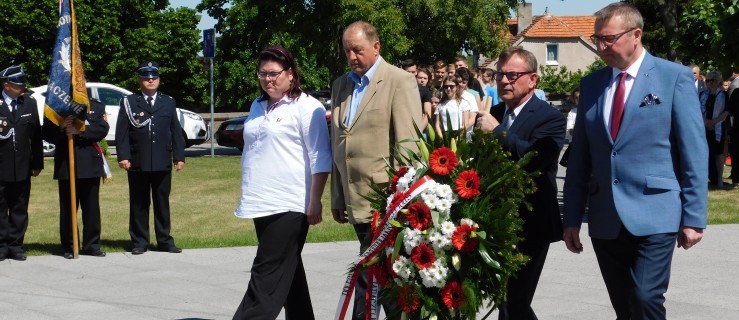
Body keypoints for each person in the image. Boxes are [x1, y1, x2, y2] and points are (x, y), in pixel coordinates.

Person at [562, 3, 707, 319]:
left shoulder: (674, 78)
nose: (601, 47)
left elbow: (694, 150)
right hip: (605, 217)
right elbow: (581, 158)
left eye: (608, 39)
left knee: (644, 298)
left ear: (636, 35)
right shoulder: (592, 85)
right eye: (597, 38)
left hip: (656, 211)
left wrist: (694, 215)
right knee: (625, 306)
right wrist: (571, 217)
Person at [330, 20, 422, 320]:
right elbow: (338, 143)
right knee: (385, 279)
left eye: (358, 50)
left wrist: (400, 202)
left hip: (386, 203)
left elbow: (408, 146)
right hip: (354, 198)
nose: (353, 57)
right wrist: (337, 194)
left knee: (370, 276)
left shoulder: (398, 81)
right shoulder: (341, 85)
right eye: (347, 51)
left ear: (376, 46)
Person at [232, 45, 331, 320]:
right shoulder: (257, 105)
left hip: (290, 203)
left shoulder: (307, 106)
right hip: (260, 202)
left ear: (290, 74)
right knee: (289, 272)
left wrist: (315, 201)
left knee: (266, 276)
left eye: (274, 73)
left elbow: (320, 156)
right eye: (262, 73)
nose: (267, 79)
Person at [475, 47, 566, 320]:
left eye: (512, 75)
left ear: (533, 79)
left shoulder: (550, 117)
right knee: (505, 301)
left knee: (514, 300)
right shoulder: (495, 110)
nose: (504, 81)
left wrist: (497, 132)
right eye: (500, 75)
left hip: (531, 223)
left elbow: (533, 159)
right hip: (494, 221)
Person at [116, 61, 185, 255]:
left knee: (162, 202)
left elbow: (175, 131)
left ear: (159, 80)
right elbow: (122, 132)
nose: (150, 80)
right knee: (139, 203)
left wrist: (179, 157)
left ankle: (164, 240)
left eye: (153, 77)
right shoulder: (129, 102)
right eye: (146, 78)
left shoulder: (168, 102)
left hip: (162, 161)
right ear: (140, 81)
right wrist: (124, 156)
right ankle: (139, 241)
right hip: (138, 161)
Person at [43, 98, 109, 259]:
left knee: (92, 208)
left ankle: (92, 245)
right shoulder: (55, 105)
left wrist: (80, 131)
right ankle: (70, 246)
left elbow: (102, 129)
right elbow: (46, 133)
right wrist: (62, 128)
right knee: (67, 209)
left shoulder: (96, 106)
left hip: (89, 164)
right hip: (66, 164)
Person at [0, 65, 43, 261]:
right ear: (7, 85)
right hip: (2, 165)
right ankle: (1, 245)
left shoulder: (29, 103)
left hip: (22, 165)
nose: (23, 87)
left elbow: (36, 136)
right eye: (19, 84)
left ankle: (16, 245)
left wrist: (37, 163)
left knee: (19, 207)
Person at [701, 71, 729, 188]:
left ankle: (719, 179)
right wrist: (706, 122)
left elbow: (726, 111)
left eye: (712, 80)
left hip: (718, 128)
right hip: (704, 128)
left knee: (718, 154)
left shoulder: (723, 95)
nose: (710, 83)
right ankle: (704, 179)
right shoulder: (702, 94)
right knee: (704, 153)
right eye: (707, 80)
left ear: (717, 81)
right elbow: (699, 110)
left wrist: (714, 121)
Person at [401, 59, 433, 132]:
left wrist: (418, 131)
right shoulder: (397, 88)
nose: (411, 74)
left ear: (416, 72)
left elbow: (427, 114)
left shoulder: (424, 90)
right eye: (408, 72)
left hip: (418, 132)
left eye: (413, 72)